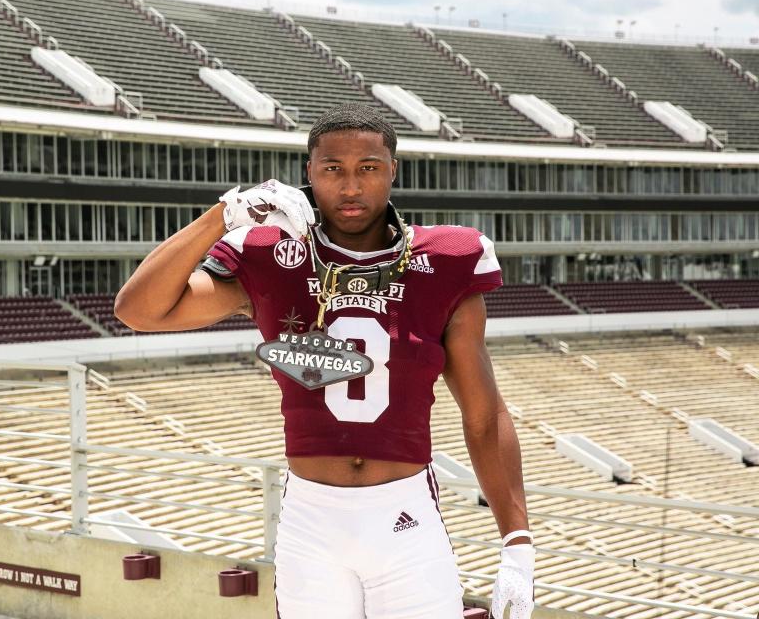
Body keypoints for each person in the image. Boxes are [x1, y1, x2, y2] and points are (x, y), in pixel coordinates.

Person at [114, 103, 534, 619]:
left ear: (393, 170)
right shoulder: (270, 251)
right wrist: (222, 216)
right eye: (333, 169)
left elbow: (484, 413)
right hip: (311, 517)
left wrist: (517, 541)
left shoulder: (447, 257)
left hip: (403, 514)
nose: (351, 187)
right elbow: (138, 310)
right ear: (308, 174)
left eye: (368, 168)